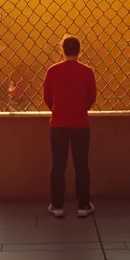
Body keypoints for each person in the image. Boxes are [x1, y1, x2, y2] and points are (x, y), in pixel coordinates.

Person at [43, 35, 97, 219]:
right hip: (81, 123)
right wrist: (81, 109)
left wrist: (57, 110)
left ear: (62, 49)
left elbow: (47, 97)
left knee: (58, 165)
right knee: (81, 165)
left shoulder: (53, 70)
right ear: (79, 50)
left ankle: (57, 205)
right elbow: (92, 97)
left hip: (58, 123)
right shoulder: (87, 71)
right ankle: (83, 204)